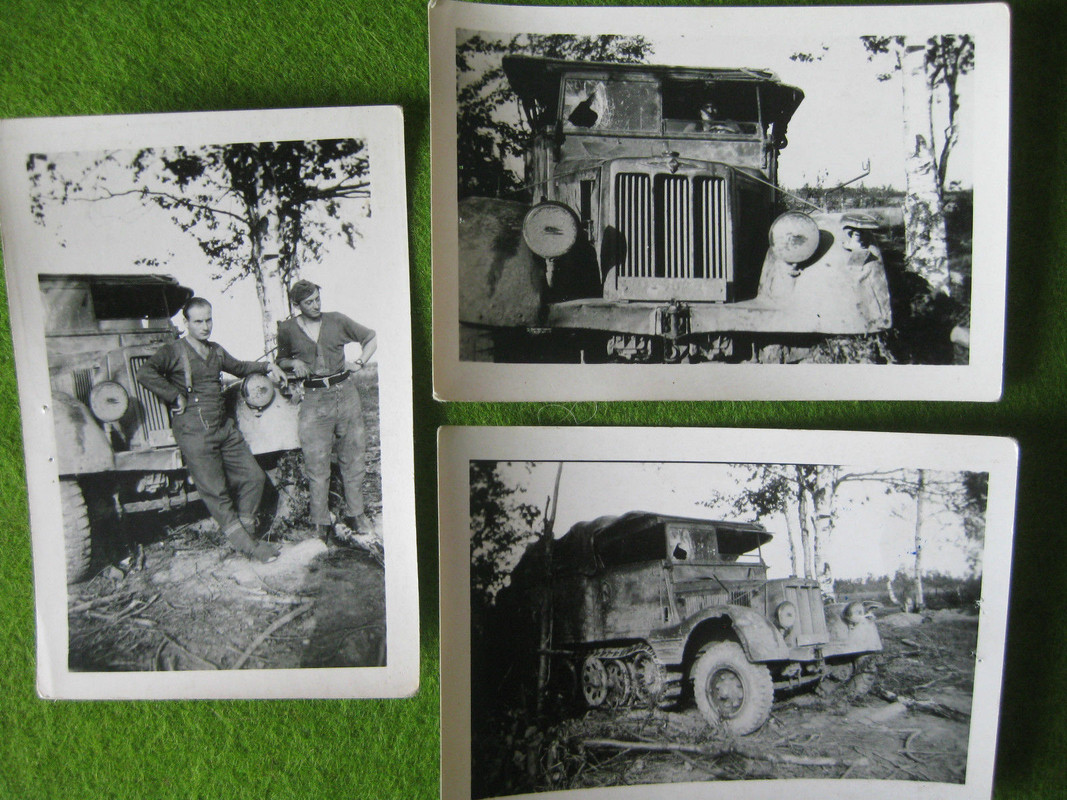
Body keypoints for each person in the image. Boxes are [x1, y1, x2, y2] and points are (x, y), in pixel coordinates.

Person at [137, 297, 286, 563]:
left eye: (208, 320)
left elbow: (239, 368)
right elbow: (145, 373)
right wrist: (173, 396)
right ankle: (249, 549)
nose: (205, 326)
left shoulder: (215, 351)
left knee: (254, 478)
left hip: (222, 426)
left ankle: (246, 535)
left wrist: (267, 366)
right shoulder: (173, 350)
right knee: (216, 493)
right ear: (186, 323)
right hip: (193, 429)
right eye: (198, 321)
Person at [276, 280, 377, 544]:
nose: (316, 305)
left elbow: (371, 337)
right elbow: (280, 360)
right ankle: (320, 522)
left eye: (318, 299)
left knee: (353, 457)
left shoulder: (337, 320)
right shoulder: (287, 329)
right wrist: (293, 362)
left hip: (345, 394)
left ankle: (356, 514)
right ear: (296, 305)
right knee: (316, 463)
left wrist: (360, 362)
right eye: (309, 302)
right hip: (313, 399)